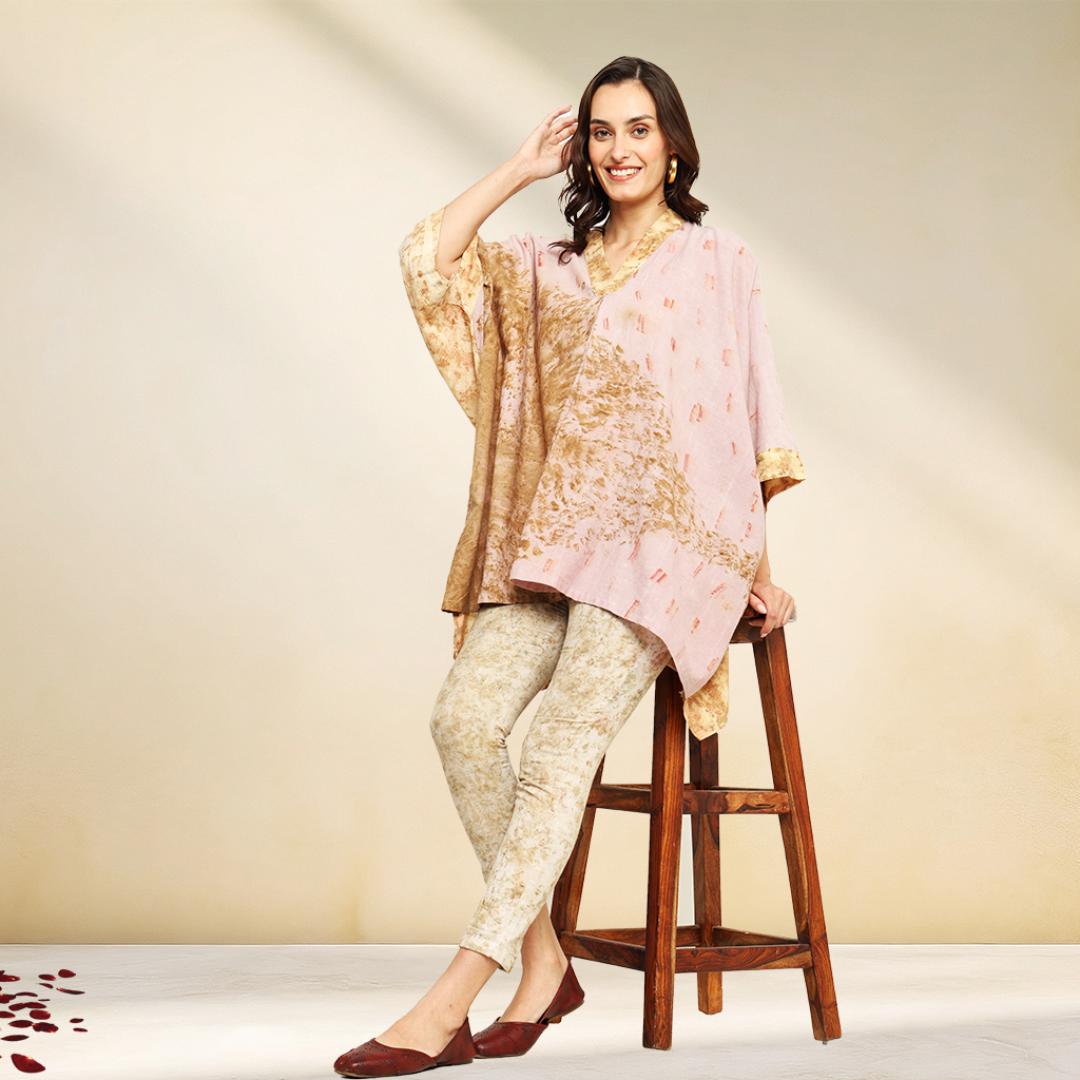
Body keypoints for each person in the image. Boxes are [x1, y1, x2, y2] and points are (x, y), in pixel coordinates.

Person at [334, 55, 805, 1077]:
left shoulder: (718, 260)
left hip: (667, 553)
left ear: (673, 143)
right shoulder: (546, 269)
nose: (620, 149)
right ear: (582, 148)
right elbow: (428, 264)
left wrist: (759, 566)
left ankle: (454, 994)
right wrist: (517, 167)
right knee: (462, 721)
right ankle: (547, 963)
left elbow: (744, 421)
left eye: (639, 129)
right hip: (553, 546)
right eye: (601, 131)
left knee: (557, 748)